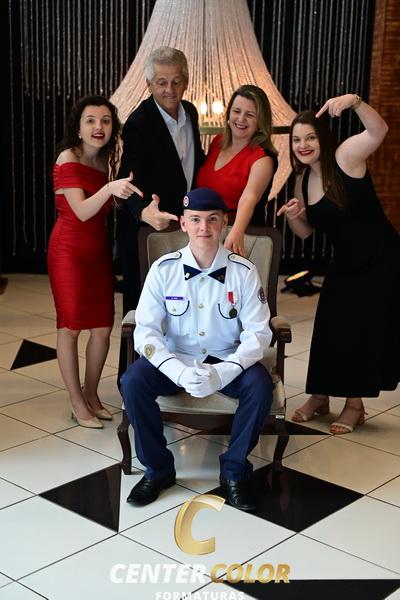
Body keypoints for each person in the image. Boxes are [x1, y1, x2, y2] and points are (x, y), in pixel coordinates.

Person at [120, 187, 273, 511]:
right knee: (132, 381)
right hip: (176, 357)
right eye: (195, 220)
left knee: (260, 386)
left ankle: (234, 472)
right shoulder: (164, 269)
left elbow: (259, 334)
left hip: (225, 358)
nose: (204, 227)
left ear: (224, 223)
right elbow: (146, 332)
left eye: (212, 219)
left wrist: (223, 373)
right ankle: (158, 470)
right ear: (183, 224)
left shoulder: (244, 272)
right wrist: (176, 371)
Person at [277, 94, 400, 434]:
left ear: (323, 138)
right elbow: (306, 232)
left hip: (380, 259)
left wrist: (355, 102)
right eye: (297, 140)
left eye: (310, 137)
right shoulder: (302, 180)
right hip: (345, 261)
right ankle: (319, 397)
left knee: (359, 331)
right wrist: (294, 217)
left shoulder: (346, 157)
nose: (303, 145)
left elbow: (379, 130)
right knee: (328, 328)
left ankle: (354, 406)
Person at [47, 95, 142, 428]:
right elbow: (83, 211)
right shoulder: (67, 157)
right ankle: (77, 401)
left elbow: (105, 205)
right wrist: (111, 189)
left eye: (105, 120)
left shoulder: (105, 162)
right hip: (68, 252)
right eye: (90, 120)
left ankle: (91, 394)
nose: (98, 127)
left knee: (102, 327)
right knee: (70, 327)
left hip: (97, 251)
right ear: (78, 127)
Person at [117, 46, 204, 317]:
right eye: (161, 82)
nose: (170, 89)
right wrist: (144, 212)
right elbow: (125, 181)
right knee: (144, 314)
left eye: (176, 81)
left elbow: (191, 165)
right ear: (149, 84)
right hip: (147, 232)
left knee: (180, 311)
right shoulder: (138, 123)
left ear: (186, 81)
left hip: (183, 230)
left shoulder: (191, 112)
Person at [196, 84, 278, 256]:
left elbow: (250, 197)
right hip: (205, 234)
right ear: (228, 114)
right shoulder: (217, 142)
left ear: (260, 122)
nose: (241, 119)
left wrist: (236, 233)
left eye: (250, 115)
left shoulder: (263, 158)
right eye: (237, 111)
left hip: (238, 237)